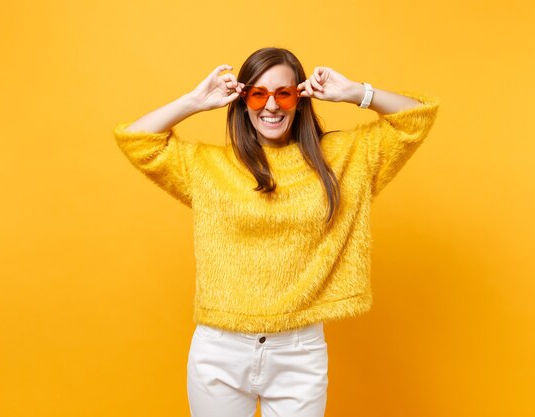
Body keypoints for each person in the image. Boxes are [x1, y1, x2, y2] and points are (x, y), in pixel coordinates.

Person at [113, 47, 439, 417]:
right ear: (243, 100)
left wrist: (354, 93)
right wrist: (194, 101)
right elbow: (137, 139)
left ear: (299, 100)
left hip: (298, 351)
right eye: (258, 94)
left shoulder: (344, 159)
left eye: (283, 93)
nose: (271, 106)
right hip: (220, 348)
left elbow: (415, 118)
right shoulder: (208, 168)